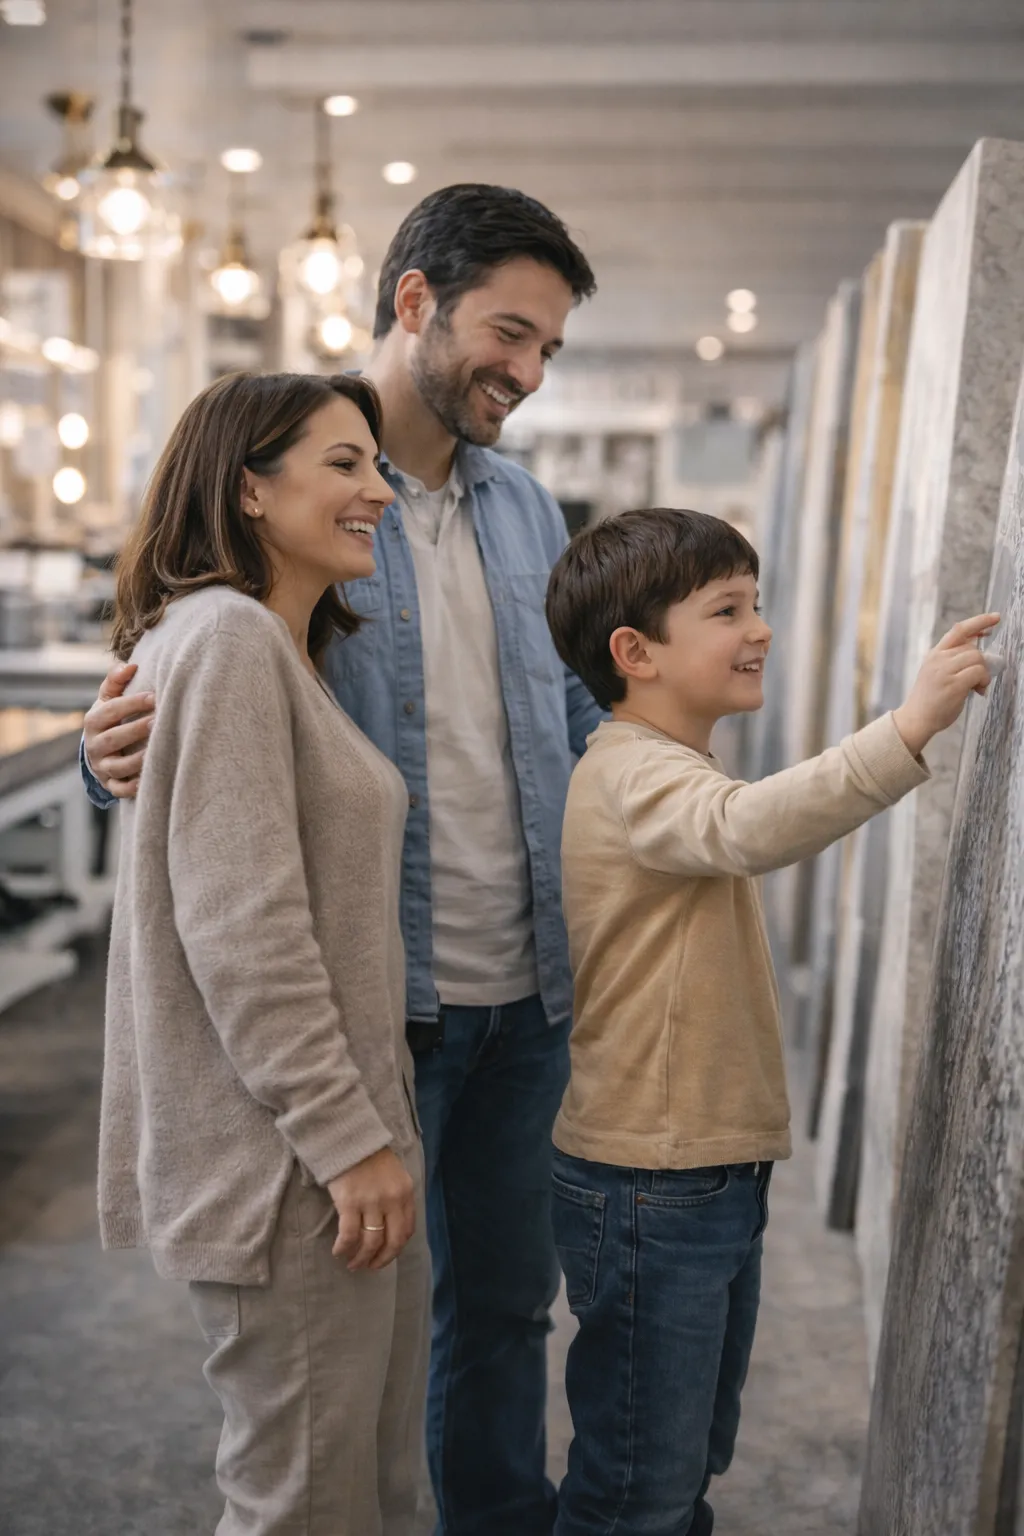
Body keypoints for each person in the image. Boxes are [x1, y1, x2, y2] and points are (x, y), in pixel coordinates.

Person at [82, 184, 602, 1535]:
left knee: (494, 1316)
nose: (529, 372)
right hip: (369, 1006)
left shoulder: (528, 512)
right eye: (510, 333)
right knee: (324, 1381)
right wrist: (109, 748)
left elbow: (581, 718)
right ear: (414, 300)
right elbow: (201, 761)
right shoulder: (302, 494)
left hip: (523, 991)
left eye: (550, 347)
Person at [543, 507, 996, 1536]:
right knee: (636, 1485)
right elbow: (745, 827)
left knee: (681, 1463)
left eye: (757, 604)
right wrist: (907, 726)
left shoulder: (665, 765)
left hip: (696, 1173)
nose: (761, 629)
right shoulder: (632, 772)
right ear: (636, 653)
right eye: (727, 611)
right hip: (651, 1180)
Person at [100, 370, 431, 1535]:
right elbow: (243, 930)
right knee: (304, 1506)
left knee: (365, 1491)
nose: (377, 490)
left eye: (376, 464)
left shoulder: (269, 647)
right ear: (249, 488)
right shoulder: (231, 638)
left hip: (326, 1149)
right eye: (343, 464)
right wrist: (348, 1142)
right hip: (290, 1166)